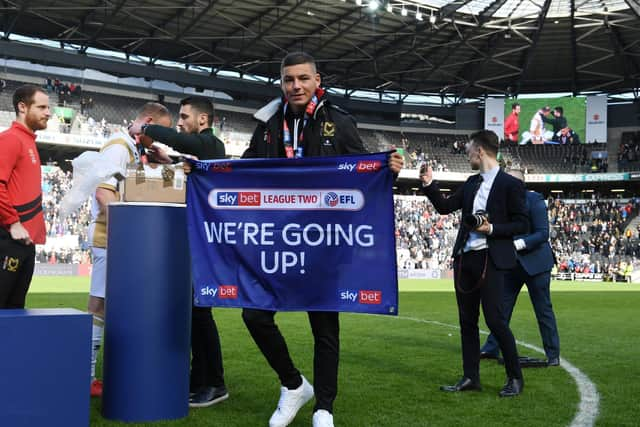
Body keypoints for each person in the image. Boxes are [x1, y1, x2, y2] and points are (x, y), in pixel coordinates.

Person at [241, 51, 403, 427]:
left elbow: (364, 176)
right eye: (288, 80)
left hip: (323, 242)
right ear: (281, 83)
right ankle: (294, 385)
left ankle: (324, 407)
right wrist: (202, 171)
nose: (295, 86)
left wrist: (388, 170)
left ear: (317, 80)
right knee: (255, 315)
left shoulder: (338, 122)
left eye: (302, 79)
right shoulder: (266, 124)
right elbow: (244, 170)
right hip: (277, 241)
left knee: (325, 328)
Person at [129, 96, 228, 408]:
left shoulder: (213, 145)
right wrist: (167, 162)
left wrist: (147, 127)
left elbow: (179, 139)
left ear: (202, 121)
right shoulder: (200, 152)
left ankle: (215, 382)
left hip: (206, 244)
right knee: (194, 314)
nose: (181, 121)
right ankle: (199, 379)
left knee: (200, 314)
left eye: (185, 116)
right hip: (197, 242)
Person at [420, 129, 528, 397]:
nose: (467, 154)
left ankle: (515, 378)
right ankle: (471, 377)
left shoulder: (510, 184)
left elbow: (522, 223)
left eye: (469, 150)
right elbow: (445, 207)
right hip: (465, 258)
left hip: (492, 258)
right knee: (467, 322)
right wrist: (428, 184)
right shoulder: (470, 182)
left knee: (495, 320)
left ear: (480, 151)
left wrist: (492, 229)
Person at [87, 102, 172, 397]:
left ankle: (106, 373)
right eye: (160, 130)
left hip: (116, 240)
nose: (159, 138)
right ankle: (86, 376)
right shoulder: (119, 147)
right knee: (98, 305)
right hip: (109, 238)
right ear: (148, 121)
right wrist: (127, 236)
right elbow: (103, 192)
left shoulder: (131, 150)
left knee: (110, 307)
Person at [480, 169, 560, 366]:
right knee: (502, 309)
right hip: (512, 265)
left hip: (537, 265)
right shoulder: (503, 204)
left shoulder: (535, 200)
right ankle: (491, 348)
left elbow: (543, 234)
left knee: (543, 310)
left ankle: (553, 355)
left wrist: (515, 245)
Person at [0, 85, 50, 308]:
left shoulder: (28, 141)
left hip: (23, 242)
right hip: (9, 239)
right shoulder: (10, 139)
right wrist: (13, 222)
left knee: (14, 310)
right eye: (41, 107)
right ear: (22, 107)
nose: (48, 112)